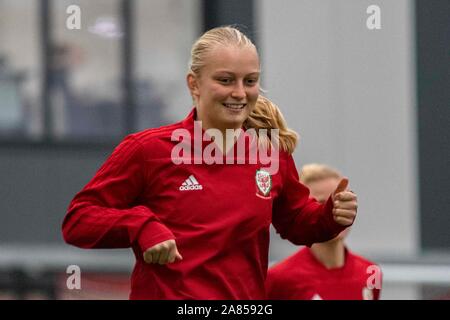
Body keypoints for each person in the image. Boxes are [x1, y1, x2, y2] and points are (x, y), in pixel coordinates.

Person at [62, 26, 358, 299]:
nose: (240, 93)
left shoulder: (271, 152)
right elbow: (79, 220)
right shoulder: (147, 150)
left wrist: (329, 215)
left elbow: (296, 222)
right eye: (225, 80)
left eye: (250, 81)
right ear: (194, 84)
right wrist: (140, 225)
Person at [266, 164, 381, 300]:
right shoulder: (279, 278)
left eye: (340, 200)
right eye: (321, 203)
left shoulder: (371, 272)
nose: (335, 209)